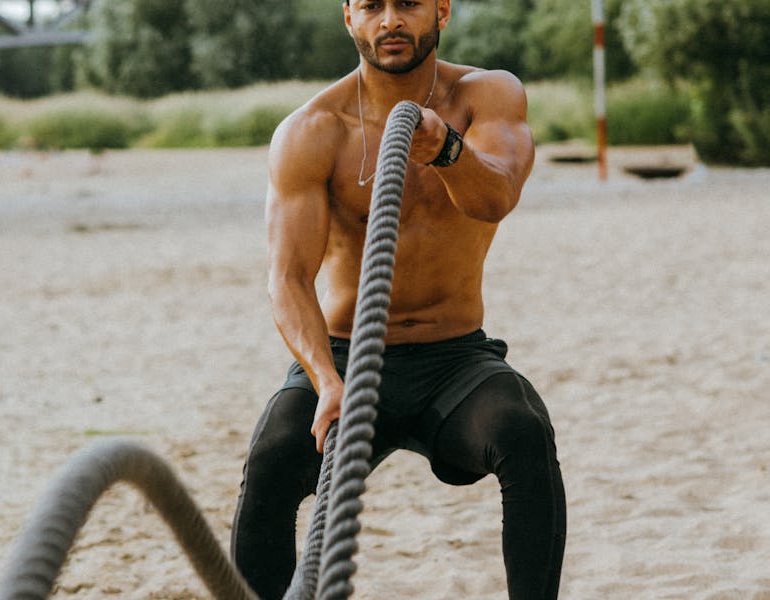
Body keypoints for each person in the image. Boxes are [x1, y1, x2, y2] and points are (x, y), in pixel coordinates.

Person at [230, 0, 566, 597]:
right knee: (273, 457)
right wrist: (325, 380)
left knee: (522, 431)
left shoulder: (486, 96)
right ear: (349, 18)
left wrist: (447, 150)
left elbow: (496, 198)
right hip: (344, 358)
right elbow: (288, 279)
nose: (390, 20)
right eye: (372, 6)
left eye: (408, 3)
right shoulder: (313, 130)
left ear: (441, 11)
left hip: (454, 360)